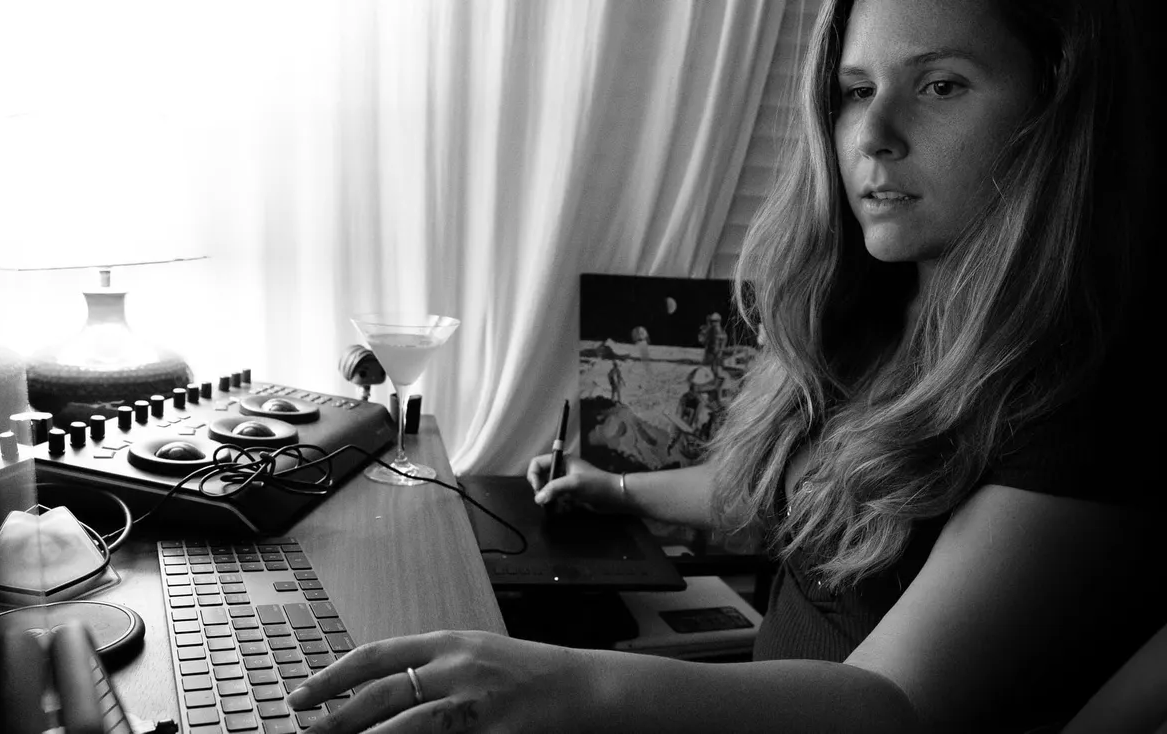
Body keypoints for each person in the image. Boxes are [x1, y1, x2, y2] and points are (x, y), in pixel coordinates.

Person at [288, 0, 1160, 730]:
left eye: (940, 85)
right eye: (855, 92)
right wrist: (617, 491)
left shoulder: (1090, 389)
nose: (874, 134)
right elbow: (790, 488)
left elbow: (893, 701)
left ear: (1058, 111)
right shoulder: (881, 319)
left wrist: (576, 682)